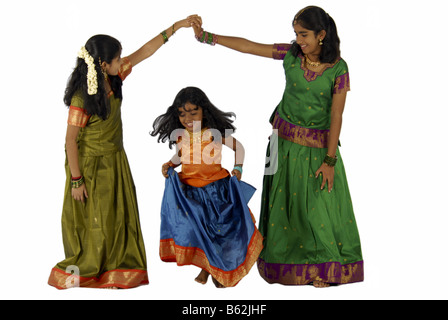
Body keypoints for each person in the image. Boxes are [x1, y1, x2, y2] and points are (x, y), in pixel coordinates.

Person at [189, 6, 363, 287]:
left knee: (318, 208)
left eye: (304, 35)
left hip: (318, 149)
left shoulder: (338, 69)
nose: (299, 40)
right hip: (281, 143)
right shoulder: (292, 55)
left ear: (321, 35)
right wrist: (209, 37)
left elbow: (336, 116)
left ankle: (323, 268)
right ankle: (294, 265)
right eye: (296, 34)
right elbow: (249, 47)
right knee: (286, 205)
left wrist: (330, 161)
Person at [48, 17, 194, 289]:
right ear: (103, 65)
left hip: (115, 159)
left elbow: (145, 51)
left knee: (117, 215)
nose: (121, 62)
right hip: (89, 166)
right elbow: (70, 142)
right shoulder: (83, 98)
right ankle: (96, 268)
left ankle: (117, 268)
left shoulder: (114, 78)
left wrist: (178, 26)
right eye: (116, 59)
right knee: (97, 217)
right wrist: (76, 180)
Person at [150, 87, 263, 288]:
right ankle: (207, 267)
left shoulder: (214, 133)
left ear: (204, 111)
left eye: (193, 112)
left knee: (220, 231)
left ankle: (214, 270)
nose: (187, 118)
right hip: (190, 193)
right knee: (197, 229)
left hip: (215, 191)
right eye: (182, 114)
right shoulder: (180, 135)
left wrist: (238, 168)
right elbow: (181, 156)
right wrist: (170, 163)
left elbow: (239, 147)